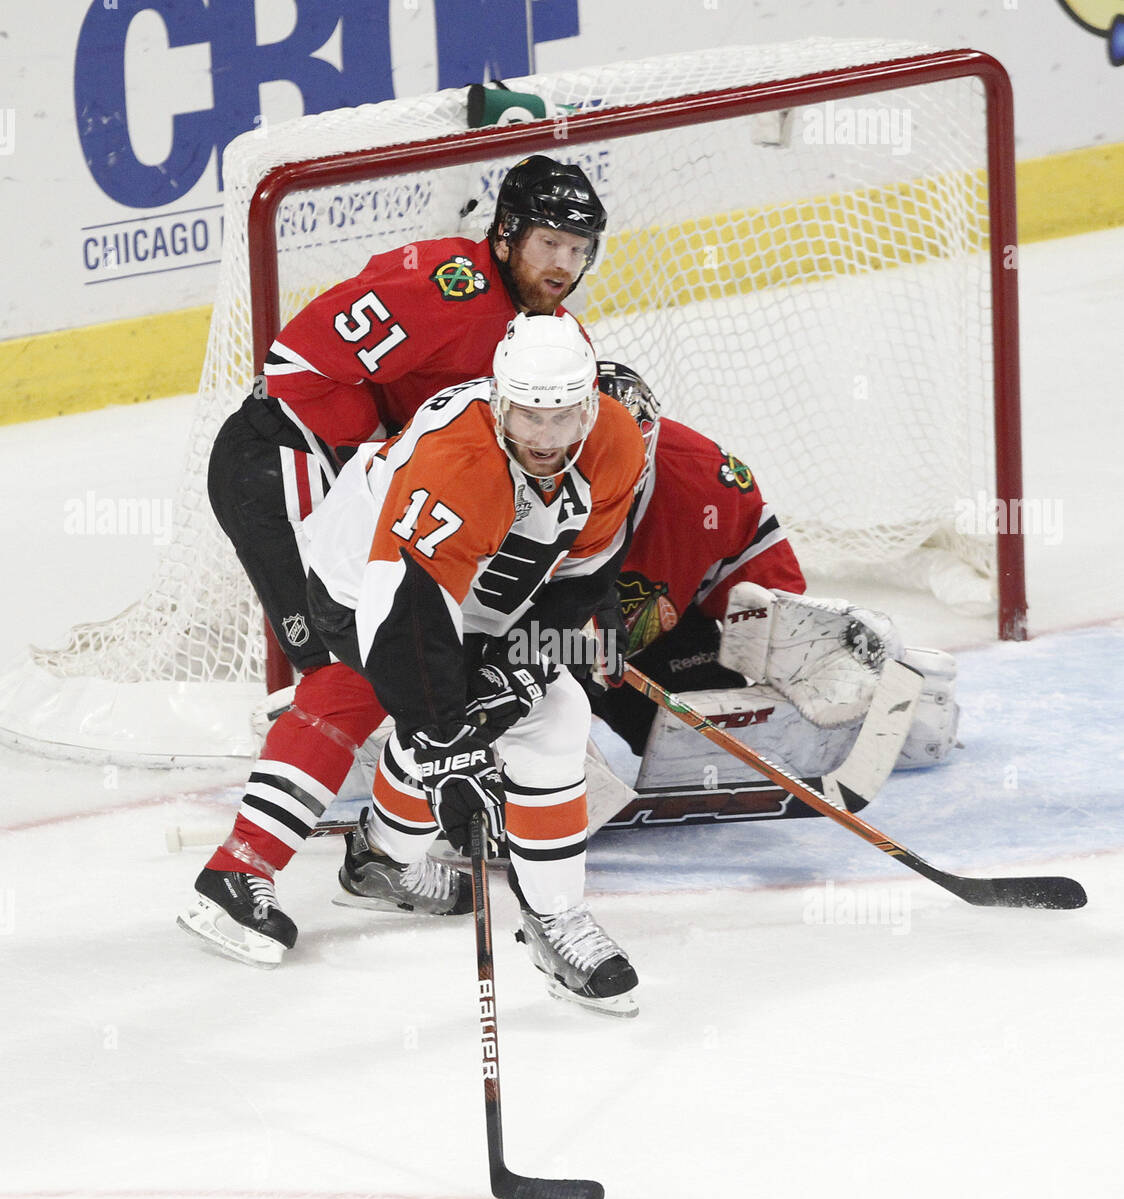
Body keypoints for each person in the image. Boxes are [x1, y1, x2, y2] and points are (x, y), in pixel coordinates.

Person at [176, 156, 607, 969]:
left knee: (380, 664)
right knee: (353, 674)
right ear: (507, 234)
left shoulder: (535, 334)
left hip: (338, 480)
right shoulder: (452, 287)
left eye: (579, 249)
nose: (563, 264)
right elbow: (296, 367)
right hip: (286, 461)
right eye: (549, 241)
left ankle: (379, 860)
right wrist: (373, 458)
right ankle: (237, 878)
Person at [304, 314, 647, 1017]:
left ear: (589, 404)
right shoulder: (456, 463)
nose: (545, 439)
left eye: (562, 418)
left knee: (510, 703)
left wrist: (531, 654)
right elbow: (403, 620)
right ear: (499, 401)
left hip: (482, 583)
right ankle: (552, 921)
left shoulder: (615, 440)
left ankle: (380, 860)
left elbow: (581, 571)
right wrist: (447, 744)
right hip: (362, 588)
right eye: (527, 415)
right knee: (550, 716)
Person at [589, 362, 960, 776]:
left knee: (703, 747)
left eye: (621, 449)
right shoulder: (511, 483)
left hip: (646, 645)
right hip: (537, 645)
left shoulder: (705, 481)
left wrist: (813, 654)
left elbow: (768, 603)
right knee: (537, 737)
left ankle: (893, 708)